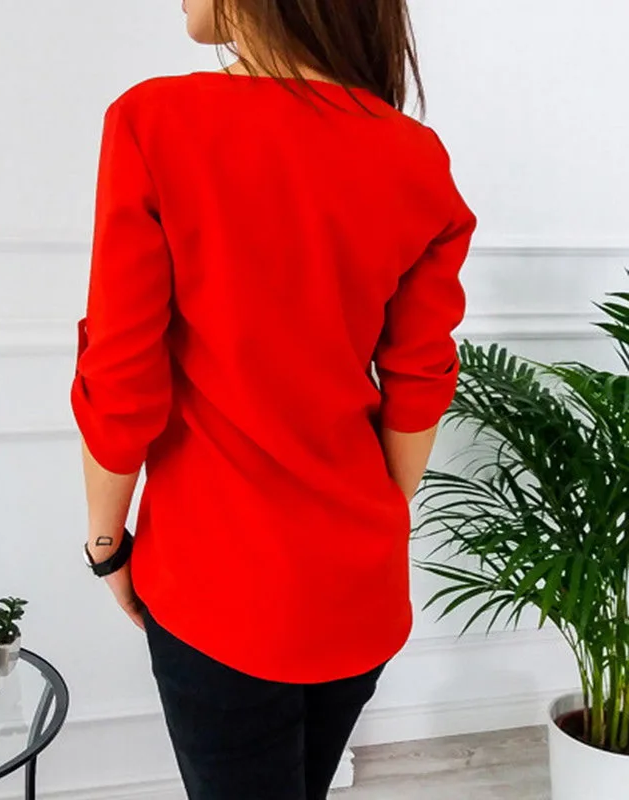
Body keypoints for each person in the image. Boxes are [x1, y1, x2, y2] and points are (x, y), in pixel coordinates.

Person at [71, 1, 477, 797]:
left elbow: (122, 376)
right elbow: (418, 382)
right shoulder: (414, 155)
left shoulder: (156, 122)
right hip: (357, 588)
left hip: (215, 589)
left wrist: (107, 544)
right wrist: (369, 531)